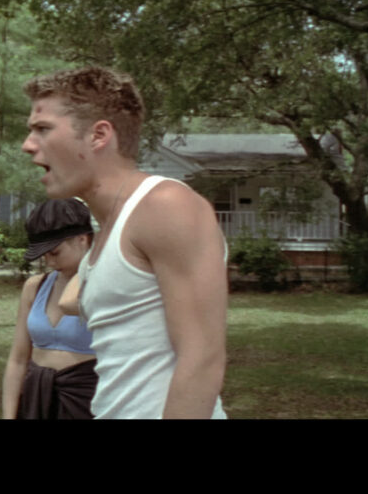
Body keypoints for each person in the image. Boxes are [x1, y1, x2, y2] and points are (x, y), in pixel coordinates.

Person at [21, 66, 227, 419]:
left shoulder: (165, 206)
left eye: (43, 129)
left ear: (98, 135)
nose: (28, 145)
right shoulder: (106, 236)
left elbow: (202, 360)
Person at [3, 198, 98, 420]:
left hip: (88, 399)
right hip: (38, 399)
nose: (49, 262)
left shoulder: (104, 287)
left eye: (55, 252)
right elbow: (17, 359)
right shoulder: (35, 287)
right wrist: (9, 414)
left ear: (82, 239)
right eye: (43, 255)